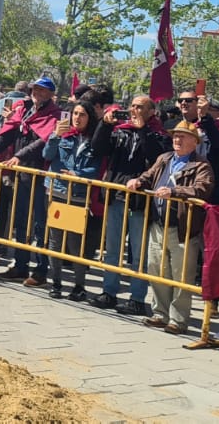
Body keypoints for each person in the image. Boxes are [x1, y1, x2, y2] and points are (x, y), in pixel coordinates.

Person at [127, 120, 213, 336]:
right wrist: (138, 181)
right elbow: (149, 175)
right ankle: (160, 313)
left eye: (183, 136)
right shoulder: (164, 159)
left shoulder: (201, 165)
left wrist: (175, 192)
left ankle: (178, 319)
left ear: (194, 142)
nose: (177, 139)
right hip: (158, 223)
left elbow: (202, 188)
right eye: (175, 135)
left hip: (182, 228)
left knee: (181, 274)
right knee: (157, 268)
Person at [92, 94, 169, 315]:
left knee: (139, 251)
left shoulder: (159, 134)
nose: (134, 111)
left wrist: (143, 130)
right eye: (132, 106)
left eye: (140, 107)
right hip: (117, 194)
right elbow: (99, 149)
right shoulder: (121, 130)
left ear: (151, 111)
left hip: (140, 199)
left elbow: (155, 156)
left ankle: (137, 298)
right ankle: (109, 292)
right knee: (112, 248)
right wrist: (105, 126)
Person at [0, 76, 61, 282]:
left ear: (51, 95)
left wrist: (19, 156)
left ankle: (41, 270)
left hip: (41, 176)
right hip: (22, 175)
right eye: (35, 89)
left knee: (40, 225)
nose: (37, 93)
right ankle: (21, 265)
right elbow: (7, 132)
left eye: (42, 91)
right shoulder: (24, 109)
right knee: (21, 220)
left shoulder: (55, 115)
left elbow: (42, 142)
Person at [42, 100, 106, 300]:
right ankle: (56, 282)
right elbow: (47, 155)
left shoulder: (94, 141)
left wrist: (76, 174)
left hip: (78, 195)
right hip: (57, 192)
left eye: (82, 114)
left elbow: (96, 168)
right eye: (75, 113)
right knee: (55, 240)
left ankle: (79, 285)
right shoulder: (63, 136)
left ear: (90, 118)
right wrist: (55, 136)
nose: (77, 118)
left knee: (75, 243)